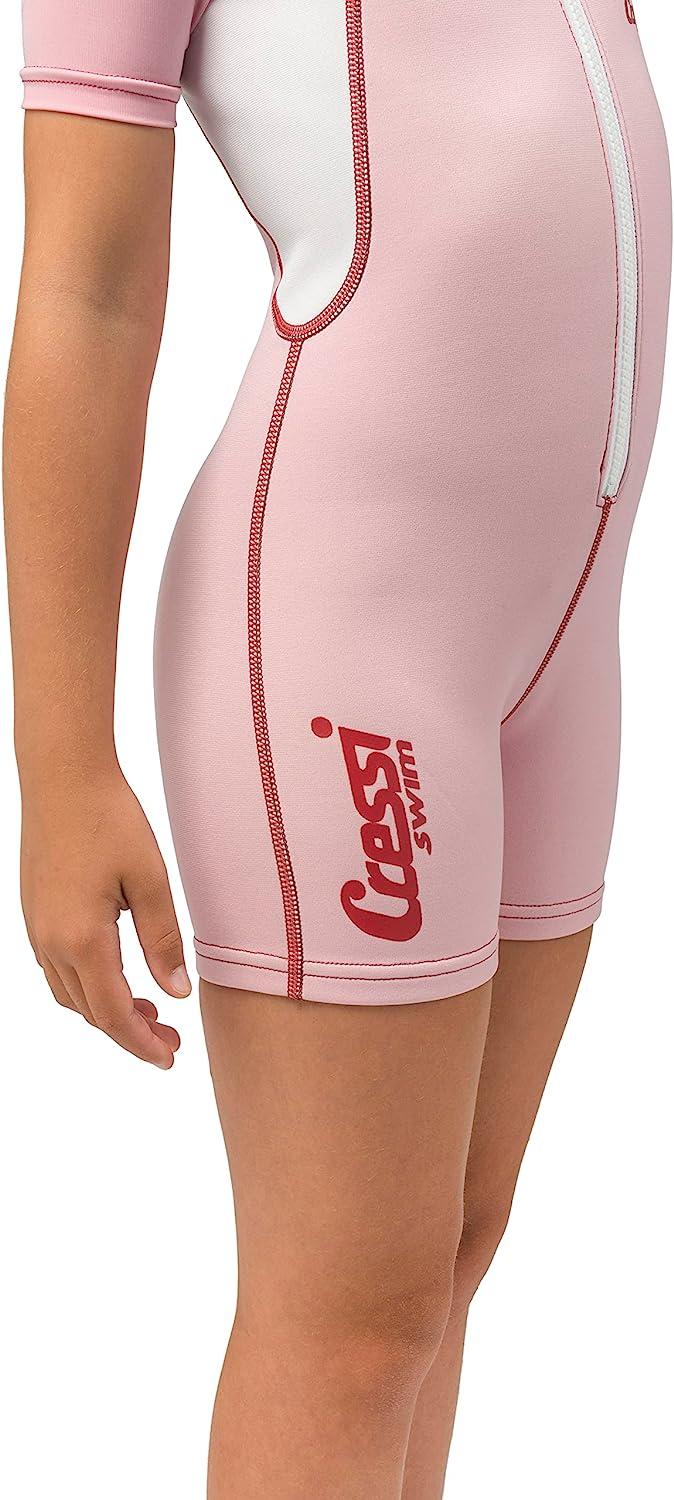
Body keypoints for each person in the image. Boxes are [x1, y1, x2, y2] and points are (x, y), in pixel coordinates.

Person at [4, 2, 670, 1496]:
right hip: (350, 631)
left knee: (441, 1263)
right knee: (351, 1322)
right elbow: (85, 291)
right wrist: (61, 765)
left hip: (562, 638)